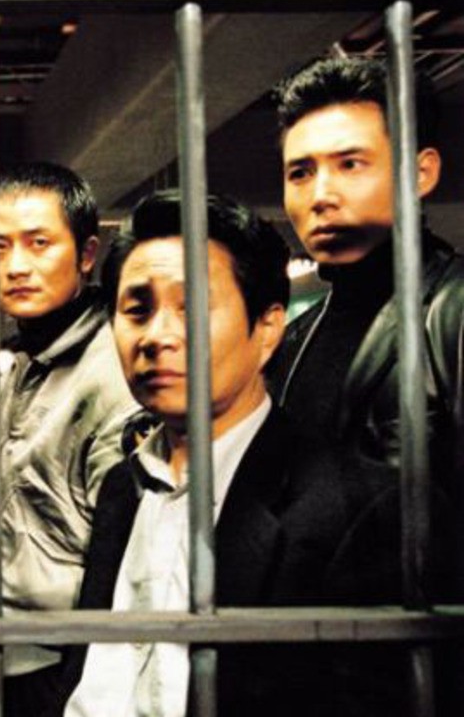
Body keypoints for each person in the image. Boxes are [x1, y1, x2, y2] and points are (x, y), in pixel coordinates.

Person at [57, 190, 406, 717]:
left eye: (192, 308)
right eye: (137, 310)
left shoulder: (357, 508)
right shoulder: (121, 489)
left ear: (266, 329)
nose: (157, 336)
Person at [0, 162, 139, 712]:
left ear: (86, 255)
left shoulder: (111, 372)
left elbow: (120, 554)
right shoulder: (28, 362)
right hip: (1, 651)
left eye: (39, 244)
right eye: (0, 247)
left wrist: (75, 681)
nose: (16, 266)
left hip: (60, 662)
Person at [270, 56, 462, 497]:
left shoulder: (453, 313)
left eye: (350, 164)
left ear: (420, 173)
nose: (321, 195)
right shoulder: (295, 339)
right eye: (300, 173)